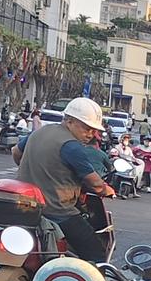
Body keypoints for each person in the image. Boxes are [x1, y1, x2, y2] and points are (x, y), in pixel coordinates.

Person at [15, 98, 115, 262]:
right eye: (86, 128)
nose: (90, 134)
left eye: (93, 130)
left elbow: (16, 153)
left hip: (25, 208)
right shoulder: (71, 146)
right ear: (69, 121)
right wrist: (107, 190)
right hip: (56, 212)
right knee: (97, 254)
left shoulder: (40, 131)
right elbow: (96, 184)